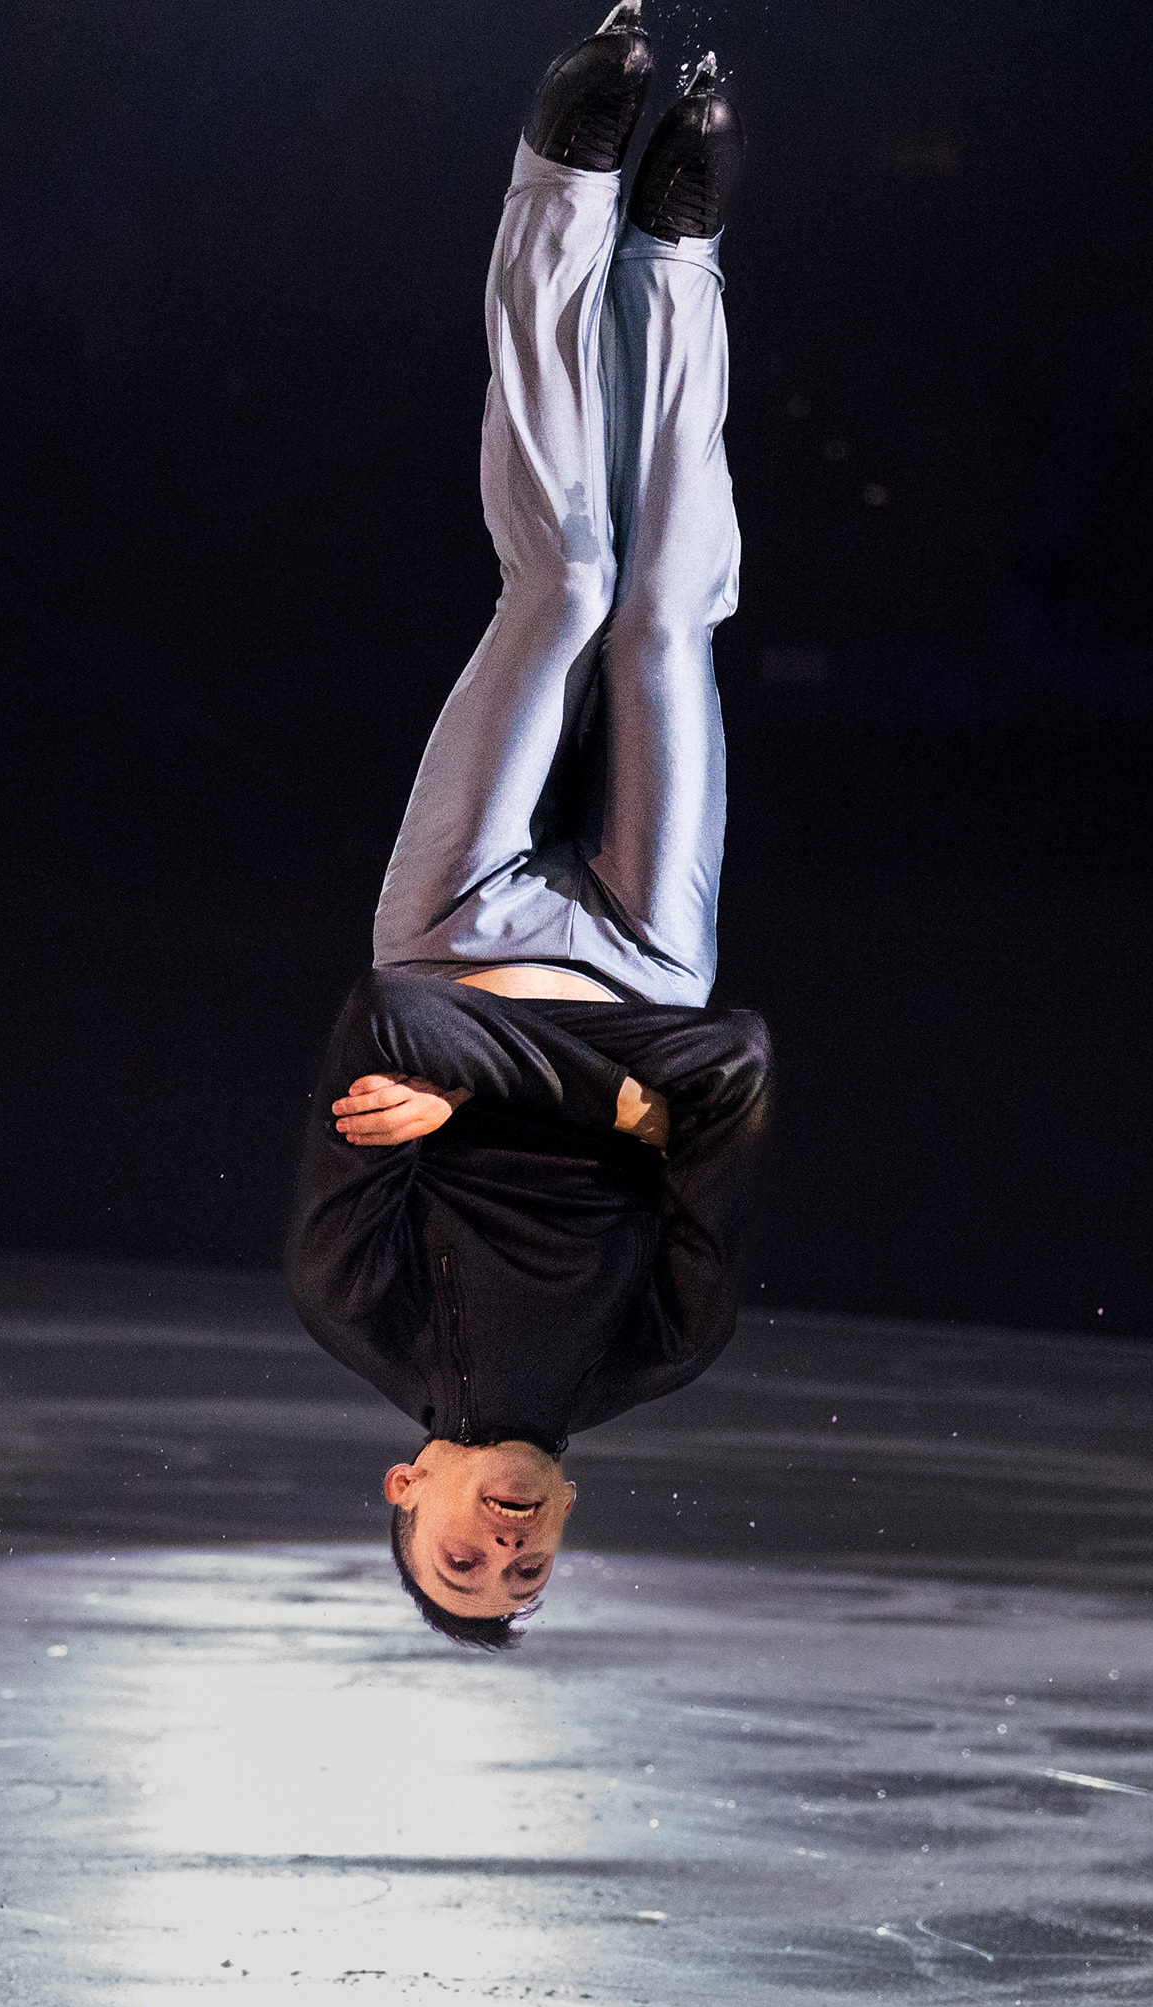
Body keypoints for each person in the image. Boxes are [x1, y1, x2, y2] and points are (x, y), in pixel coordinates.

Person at [285, 3, 772, 1648]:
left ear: (400, 1496)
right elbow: (740, 1069)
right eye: (529, 1573)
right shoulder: (663, 1347)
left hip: (462, 924)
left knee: (562, 581)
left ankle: (567, 168)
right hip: (654, 953)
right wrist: (567, 1090)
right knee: (668, 615)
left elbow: (391, 1011)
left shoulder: (355, 1304)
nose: (506, 1547)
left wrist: (615, 1110)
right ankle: (680, 251)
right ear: (567, 1532)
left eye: (461, 1562)